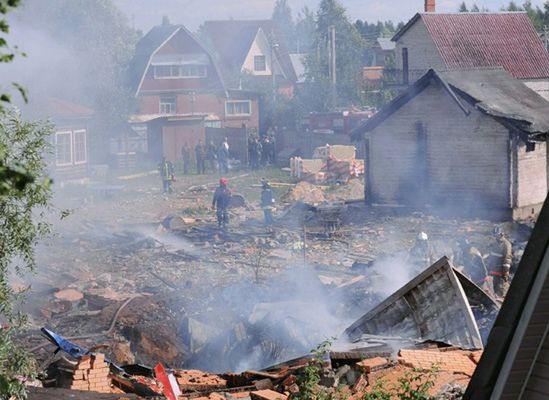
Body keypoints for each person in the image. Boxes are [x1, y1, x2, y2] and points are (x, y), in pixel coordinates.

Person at [487, 226, 513, 298]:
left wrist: (506, 270)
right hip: (493, 268)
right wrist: (488, 266)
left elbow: (507, 258)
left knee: (501, 287)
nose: (495, 237)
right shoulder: (494, 243)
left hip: (501, 269)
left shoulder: (506, 244)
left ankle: (501, 301)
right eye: (494, 235)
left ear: (501, 234)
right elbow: (491, 255)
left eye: (497, 235)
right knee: (493, 286)